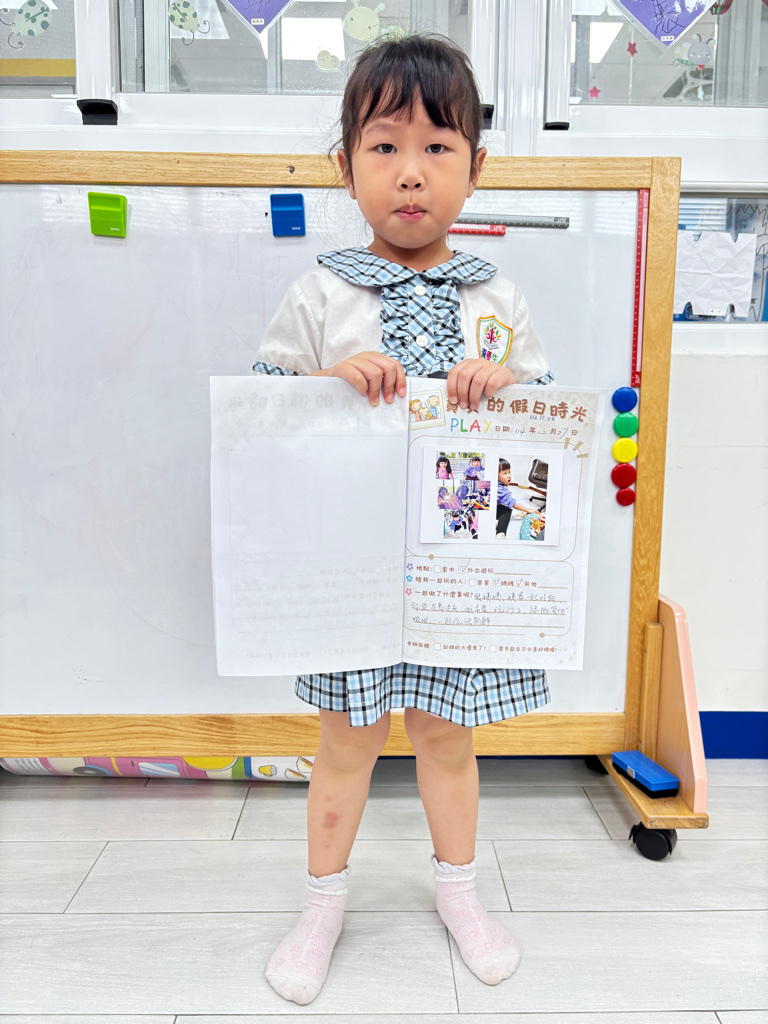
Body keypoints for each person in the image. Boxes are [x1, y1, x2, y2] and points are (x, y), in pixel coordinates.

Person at [253, 33, 553, 1005]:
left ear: (476, 166)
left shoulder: (498, 297)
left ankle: (459, 893)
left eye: (437, 147)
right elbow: (257, 416)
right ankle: (321, 903)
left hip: (456, 574)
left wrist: (504, 387)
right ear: (345, 165)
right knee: (347, 737)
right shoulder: (321, 292)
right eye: (384, 147)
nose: (410, 172)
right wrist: (325, 381)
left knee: (446, 736)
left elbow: (546, 432)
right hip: (351, 567)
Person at [496, 458, 542, 537]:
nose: (509, 476)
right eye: (505, 473)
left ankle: (508, 516)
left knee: (503, 506)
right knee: (507, 511)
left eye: (509, 472)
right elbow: (513, 504)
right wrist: (528, 509)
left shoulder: (498, 485)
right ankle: (500, 534)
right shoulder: (499, 489)